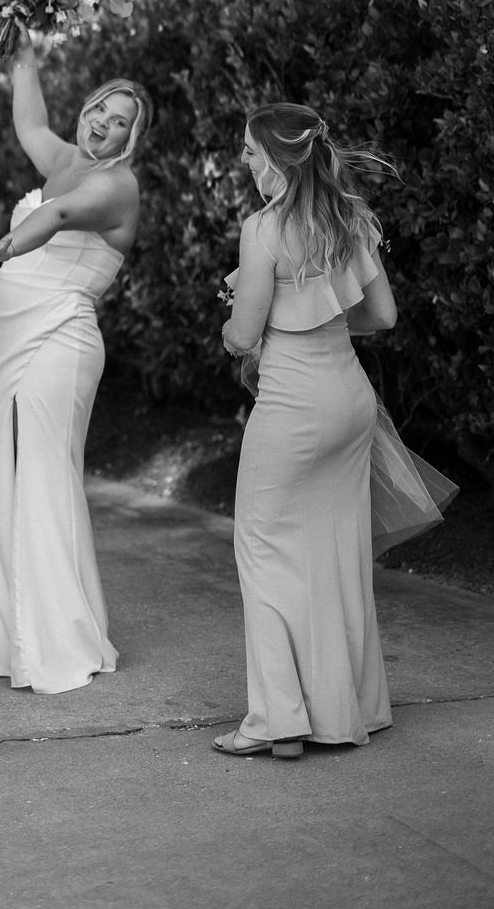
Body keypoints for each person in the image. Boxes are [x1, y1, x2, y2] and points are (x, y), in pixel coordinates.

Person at [0, 32, 152, 693]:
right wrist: (22, 39)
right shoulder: (64, 154)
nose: (103, 123)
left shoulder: (116, 184)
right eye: (101, 109)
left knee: (43, 476)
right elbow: (29, 119)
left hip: (59, 342)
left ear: (132, 138)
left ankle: (57, 634)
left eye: (120, 122)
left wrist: (8, 244)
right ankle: (9, 617)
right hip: (8, 339)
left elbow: (61, 213)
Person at [216, 102, 401, 760]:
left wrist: (235, 322)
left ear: (274, 158)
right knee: (335, 550)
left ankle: (279, 721)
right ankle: (353, 709)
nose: (244, 162)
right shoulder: (350, 218)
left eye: (247, 152)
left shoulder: (262, 230)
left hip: (293, 407)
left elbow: (243, 336)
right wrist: (316, 319)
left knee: (262, 547)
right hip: (349, 400)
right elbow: (381, 315)